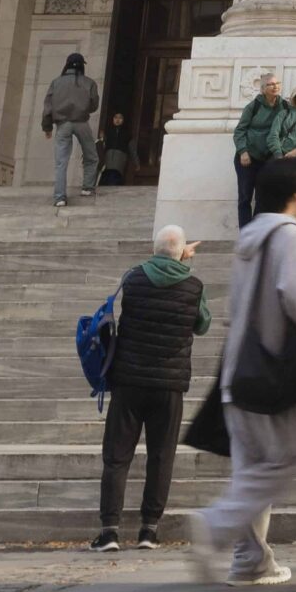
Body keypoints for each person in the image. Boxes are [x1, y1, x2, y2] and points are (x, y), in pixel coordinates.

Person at [190, 156, 296, 586]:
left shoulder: (249, 237)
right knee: (282, 462)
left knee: (249, 470)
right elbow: (295, 293)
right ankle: (214, 525)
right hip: (270, 366)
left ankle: (250, 559)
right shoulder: (288, 234)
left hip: (238, 367)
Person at [95, 224, 209, 552]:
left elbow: (154, 271)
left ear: (153, 248)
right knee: (161, 456)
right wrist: (182, 263)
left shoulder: (133, 278)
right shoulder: (194, 286)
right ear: (183, 252)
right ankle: (149, 529)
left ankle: (109, 531)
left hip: (129, 381)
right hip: (168, 385)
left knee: (117, 457)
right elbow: (203, 324)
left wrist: (171, 257)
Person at [234, 75, 296, 228]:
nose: (275, 86)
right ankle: (246, 233)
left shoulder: (284, 106)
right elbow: (239, 131)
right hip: (248, 158)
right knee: (245, 197)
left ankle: (257, 231)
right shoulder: (253, 106)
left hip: (268, 159)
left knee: (262, 197)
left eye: (277, 83)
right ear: (263, 89)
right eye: (270, 84)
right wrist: (243, 151)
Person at [43, 52, 101, 208]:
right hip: (81, 122)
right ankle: (87, 188)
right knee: (91, 156)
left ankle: (60, 197)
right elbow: (94, 105)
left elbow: (48, 107)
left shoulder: (56, 82)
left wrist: (47, 127)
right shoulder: (89, 83)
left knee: (61, 162)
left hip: (63, 124)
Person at [99, 114, 134, 188]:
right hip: (108, 156)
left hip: (120, 157)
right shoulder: (108, 130)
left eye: (120, 118)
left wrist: (136, 162)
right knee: (107, 174)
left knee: (116, 175)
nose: (117, 120)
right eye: (115, 117)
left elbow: (132, 148)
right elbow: (102, 145)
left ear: (123, 120)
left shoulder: (127, 133)